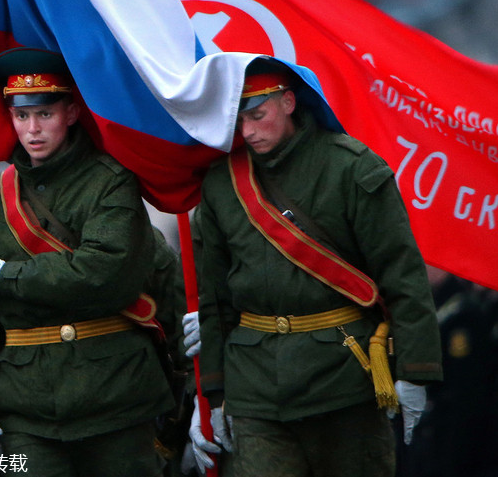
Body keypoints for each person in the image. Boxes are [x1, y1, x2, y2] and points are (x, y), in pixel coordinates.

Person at [190, 56, 443, 477]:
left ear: (288, 102)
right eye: (239, 121)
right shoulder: (222, 184)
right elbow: (214, 300)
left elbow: (401, 274)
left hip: (343, 380)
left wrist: (415, 370)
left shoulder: (352, 167)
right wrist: (213, 394)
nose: (247, 132)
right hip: (254, 386)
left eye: (258, 115)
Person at [0, 47, 174, 477]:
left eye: (45, 114)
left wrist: (6, 277)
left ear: (70, 113)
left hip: (116, 396)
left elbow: (104, 273)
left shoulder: (110, 181)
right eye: (21, 116)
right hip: (26, 406)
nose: (32, 129)